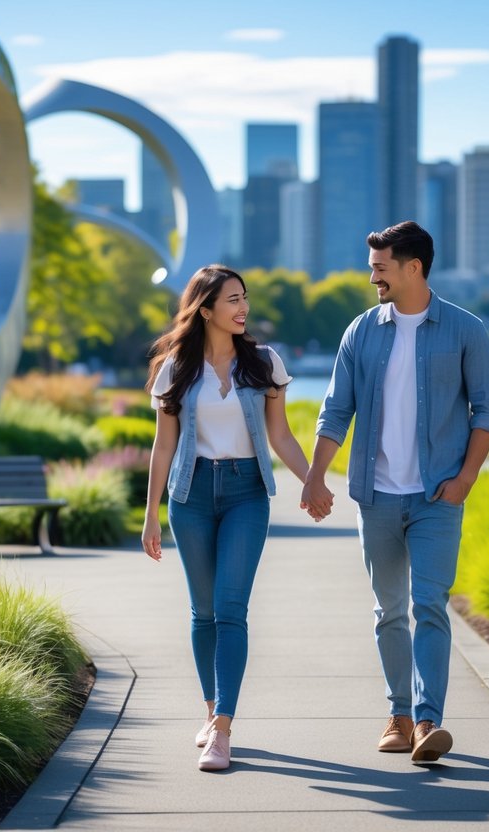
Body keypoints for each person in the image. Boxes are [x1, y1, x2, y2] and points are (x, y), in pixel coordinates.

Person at [301, 221, 489, 764]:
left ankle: (429, 721)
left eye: (381, 268)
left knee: (429, 604)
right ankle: (399, 714)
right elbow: (336, 410)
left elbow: (487, 412)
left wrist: (464, 481)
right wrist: (316, 475)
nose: (373, 278)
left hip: (438, 496)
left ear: (413, 268)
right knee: (388, 609)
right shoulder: (361, 332)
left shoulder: (465, 331)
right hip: (378, 496)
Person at [142, 265, 312, 772]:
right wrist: (150, 516)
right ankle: (210, 709)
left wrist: (313, 481)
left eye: (245, 299)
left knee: (230, 608)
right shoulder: (177, 369)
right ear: (206, 308)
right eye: (233, 300)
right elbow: (164, 444)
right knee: (203, 613)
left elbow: (280, 436)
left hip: (246, 494)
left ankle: (223, 730)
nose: (243, 309)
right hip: (190, 494)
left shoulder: (262, 363)